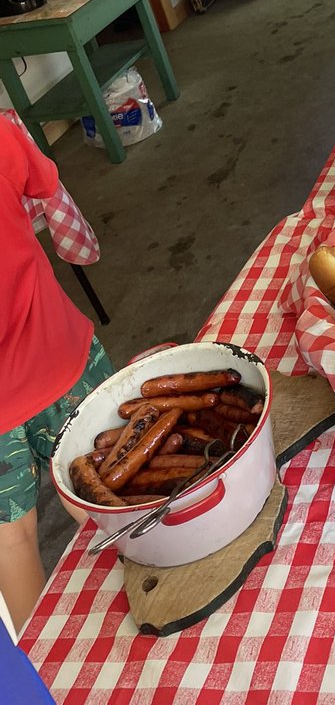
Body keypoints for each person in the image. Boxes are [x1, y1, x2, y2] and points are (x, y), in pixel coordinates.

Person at [0, 115, 115, 633]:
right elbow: (63, 218)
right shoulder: (3, 133)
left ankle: (47, 676)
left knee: (11, 542)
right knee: (104, 495)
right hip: (58, 357)